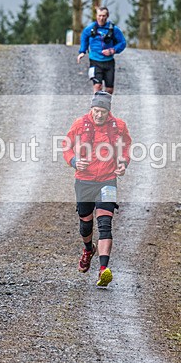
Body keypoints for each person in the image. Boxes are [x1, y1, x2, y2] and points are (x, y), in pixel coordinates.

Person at [62, 91, 131, 287]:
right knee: (85, 223)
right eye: (96, 111)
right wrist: (74, 161)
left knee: (105, 223)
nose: (98, 115)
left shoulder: (118, 126)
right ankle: (87, 249)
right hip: (84, 180)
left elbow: (126, 147)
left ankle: (103, 270)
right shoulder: (80, 124)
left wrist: (123, 163)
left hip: (107, 180)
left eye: (102, 111)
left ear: (108, 112)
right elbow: (66, 146)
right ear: (91, 109)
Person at [77, 6, 127, 94]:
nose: (101, 18)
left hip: (109, 62)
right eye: (99, 15)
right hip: (95, 61)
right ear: (96, 16)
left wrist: (113, 50)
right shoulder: (90, 28)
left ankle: (106, 107)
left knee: (109, 89)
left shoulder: (113, 29)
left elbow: (122, 42)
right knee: (97, 86)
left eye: (103, 16)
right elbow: (84, 38)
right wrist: (82, 52)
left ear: (107, 16)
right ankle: (96, 106)